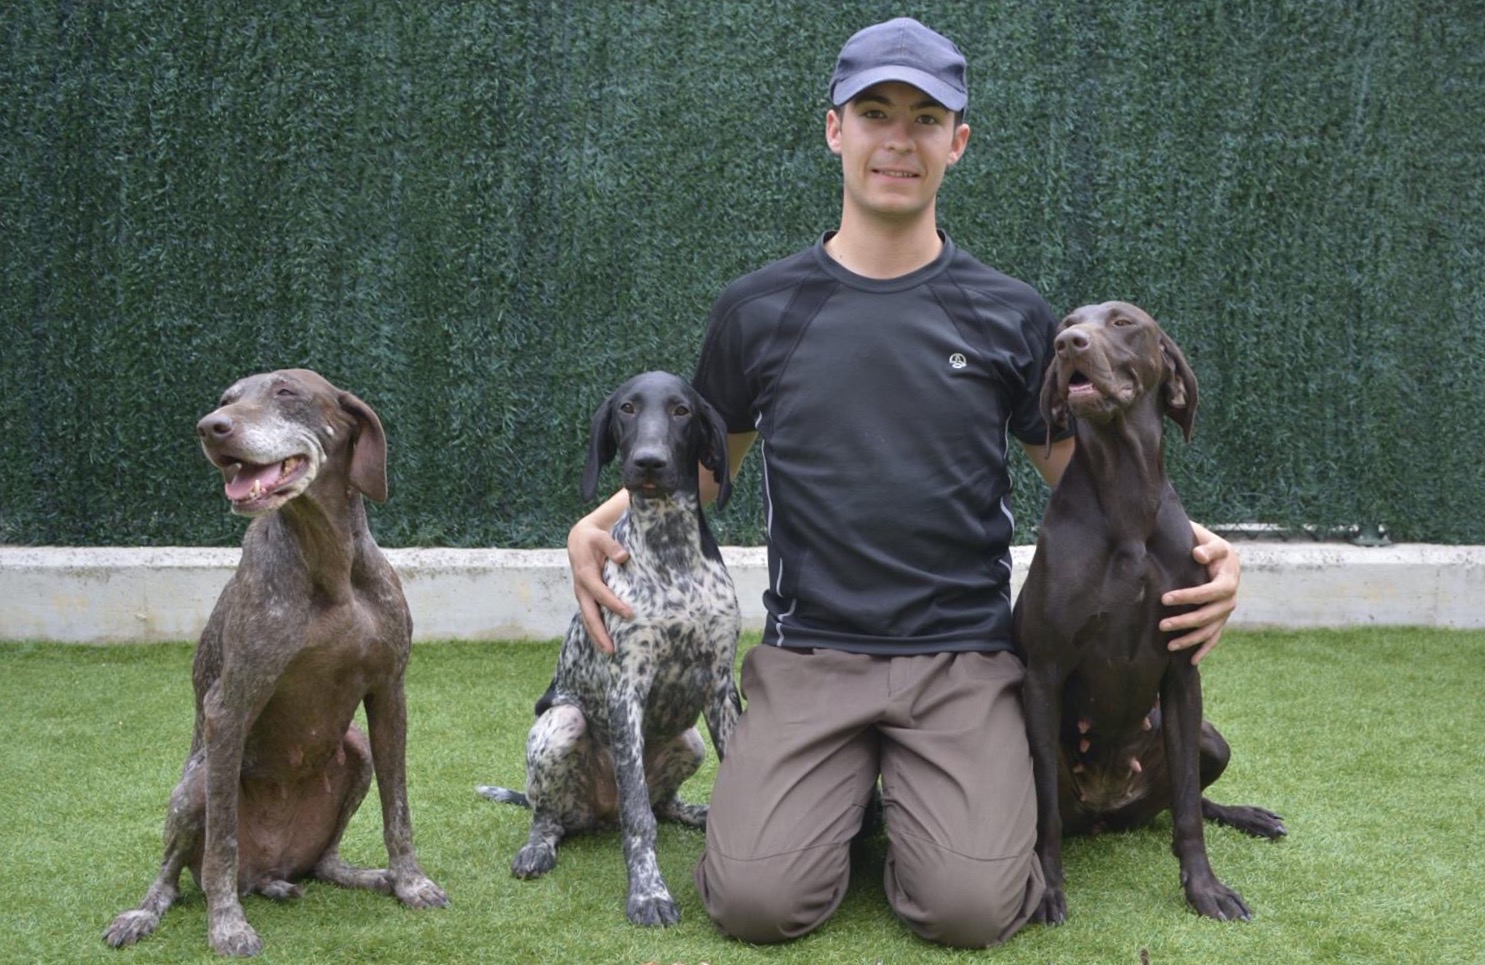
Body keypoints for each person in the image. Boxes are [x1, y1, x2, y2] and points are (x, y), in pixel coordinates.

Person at [566, 17, 1241, 949]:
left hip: (963, 661)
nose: (898, 139)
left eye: (925, 119)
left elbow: (1094, 481)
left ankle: (908, 805)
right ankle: (843, 798)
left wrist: (1205, 554)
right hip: (812, 657)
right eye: (874, 113)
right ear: (833, 129)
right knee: (756, 903)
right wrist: (595, 523)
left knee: (968, 908)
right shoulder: (757, 309)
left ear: (956, 142)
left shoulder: (1010, 314)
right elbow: (706, 474)